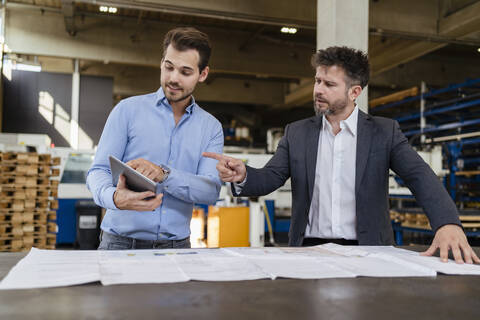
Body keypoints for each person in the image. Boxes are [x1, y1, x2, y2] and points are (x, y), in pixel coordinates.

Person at [204, 46, 479, 264]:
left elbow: (420, 177)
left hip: (369, 251)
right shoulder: (296, 133)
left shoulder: (384, 133)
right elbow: (271, 177)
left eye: (329, 84)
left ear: (354, 91)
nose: (318, 90)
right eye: (317, 81)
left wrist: (447, 223)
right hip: (309, 250)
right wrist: (243, 175)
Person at [87, 27, 223, 250]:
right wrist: (113, 198)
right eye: (169, 67)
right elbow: (98, 171)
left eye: (185, 72)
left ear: (203, 74)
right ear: (162, 63)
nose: (173, 78)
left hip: (176, 248)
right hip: (120, 245)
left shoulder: (211, 128)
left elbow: (209, 191)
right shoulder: (127, 111)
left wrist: (164, 174)